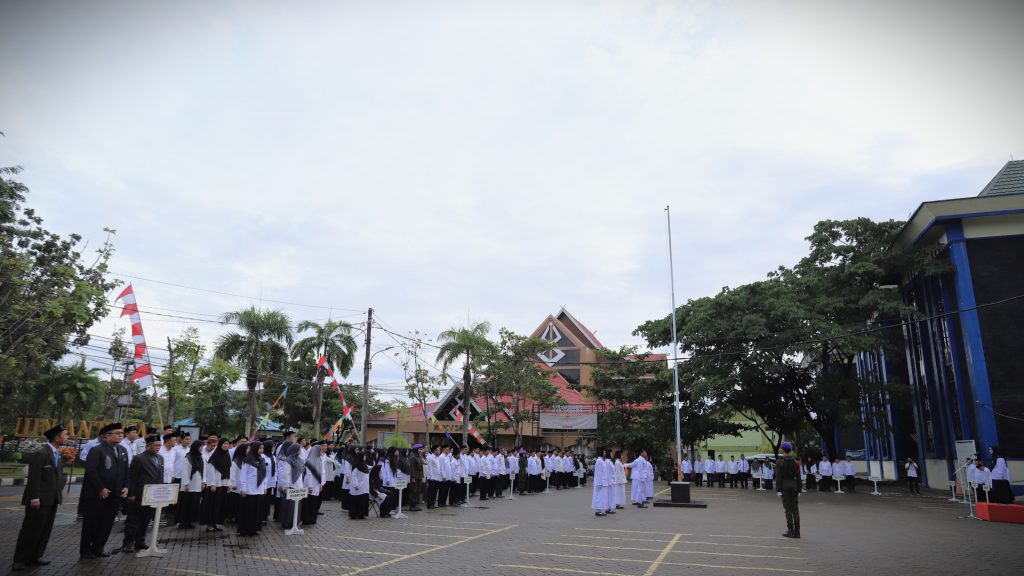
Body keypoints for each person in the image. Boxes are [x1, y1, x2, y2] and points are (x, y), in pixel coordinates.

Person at [11, 423, 68, 571]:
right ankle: (20, 560)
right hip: (39, 500)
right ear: (56, 438)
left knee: (44, 530)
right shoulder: (41, 453)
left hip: (52, 499)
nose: (67, 437)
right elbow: (34, 478)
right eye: (65, 435)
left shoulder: (58, 454)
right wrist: (34, 498)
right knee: (30, 530)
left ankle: (35, 556)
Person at [80, 422, 129, 559]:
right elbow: (91, 472)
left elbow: (126, 471)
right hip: (98, 495)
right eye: (118, 433)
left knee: (107, 523)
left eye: (122, 434)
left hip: (115, 494)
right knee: (92, 522)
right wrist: (101, 488)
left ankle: (98, 547)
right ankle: (86, 550)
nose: (121, 436)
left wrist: (126, 486)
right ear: (108, 436)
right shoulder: (97, 450)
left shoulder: (123, 450)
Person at [122, 434, 164, 553]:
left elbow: (160, 476)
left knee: (146, 520)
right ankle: (128, 543)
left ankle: (140, 542)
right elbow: (132, 477)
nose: (158, 448)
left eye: (159, 446)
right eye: (155, 445)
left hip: (153, 495)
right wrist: (131, 494)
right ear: (148, 446)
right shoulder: (139, 458)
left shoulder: (160, 458)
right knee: (133, 520)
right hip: (139, 494)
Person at [238, 442, 267, 536]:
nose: (261, 450)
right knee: (248, 511)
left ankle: (253, 529)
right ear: (254, 449)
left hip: (259, 489)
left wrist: (265, 487)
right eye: (260, 448)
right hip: (249, 490)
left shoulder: (262, 459)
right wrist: (244, 489)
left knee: (256, 511)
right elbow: (243, 476)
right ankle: (244, 529)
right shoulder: (247, 460)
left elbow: (264, 475)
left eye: (262, 448)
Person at [176, 440, 204, 529]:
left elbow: (204, 470)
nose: (201, 448)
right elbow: (184, 471)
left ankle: (189, 522)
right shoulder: (188, 457)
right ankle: (182, 522)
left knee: (193, 504)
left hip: (197, 484)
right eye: (200, 446)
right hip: (188, 485)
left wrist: (203, 482)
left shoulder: (200, 457)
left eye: (202, 446)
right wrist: (186, 483)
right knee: (186, 504)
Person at [777, 441, 801, 539]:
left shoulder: (780, 462)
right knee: (795, 508)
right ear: (790, 450)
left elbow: (778, 477)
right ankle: (797, 531)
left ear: (783, 450)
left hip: (785, 487)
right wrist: (799, 489)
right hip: (794, 486)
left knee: (788, 509)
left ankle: (790, 530)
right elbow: (799, 477)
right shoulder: (796, 462)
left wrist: (778, 489)